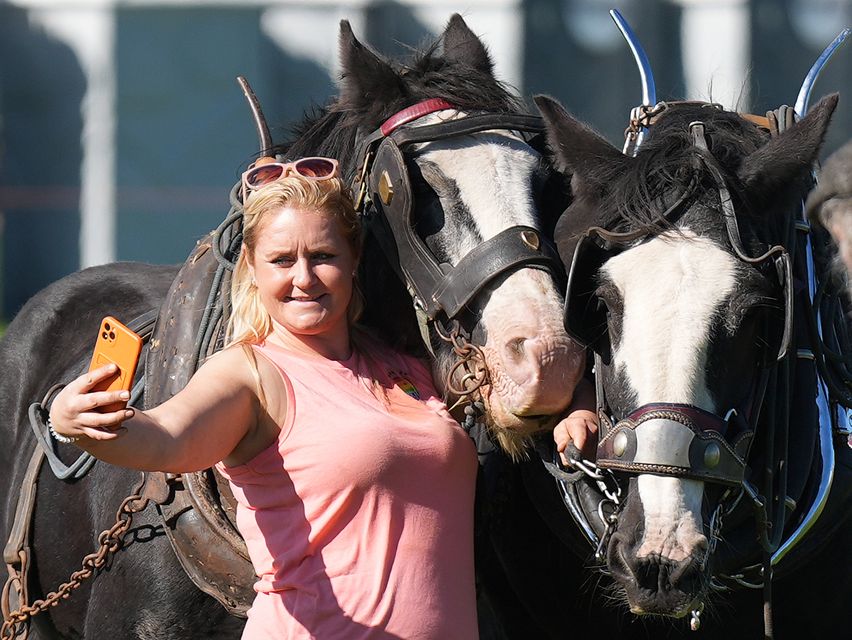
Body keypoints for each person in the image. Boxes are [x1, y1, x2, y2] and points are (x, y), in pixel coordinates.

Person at [48, 155, 597, 639]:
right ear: (253, 271)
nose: (304, 277)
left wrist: (574, 408)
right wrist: (79, 422)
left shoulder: (408, 367)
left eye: (322, 256)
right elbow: (167, 440)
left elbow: (515, 395)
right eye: (282, 260)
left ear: (354, 261)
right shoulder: (251, 373)